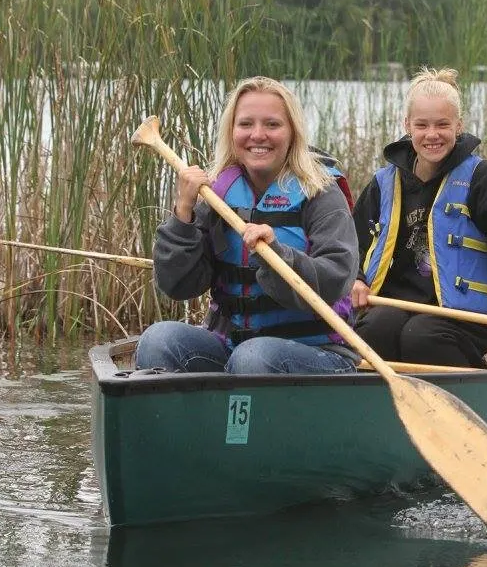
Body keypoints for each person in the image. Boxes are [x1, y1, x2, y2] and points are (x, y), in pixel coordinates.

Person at [350, 67, 487, 368]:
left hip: (467, 318)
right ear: (407, 126)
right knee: (375, 330)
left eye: (443, 124)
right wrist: (355, 278)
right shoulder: (383, 183)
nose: (432, 135)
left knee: (421, 337)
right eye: (422, 125)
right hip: (396, 304)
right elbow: (350, 243)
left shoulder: (483, 179)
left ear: (459, 126)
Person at [135, 76, 359, 375]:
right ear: (232, 132)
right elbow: (178, 285)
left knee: (253, 357)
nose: (258, 135)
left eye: (272, 124)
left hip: (315, 351)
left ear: (292, 132)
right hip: (233, 344)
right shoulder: (217, 194)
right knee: (159, 340)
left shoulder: (320, 192)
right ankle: (178, 421)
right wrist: (183, 213)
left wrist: (278, 255)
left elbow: (337, 280)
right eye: (245, 124)